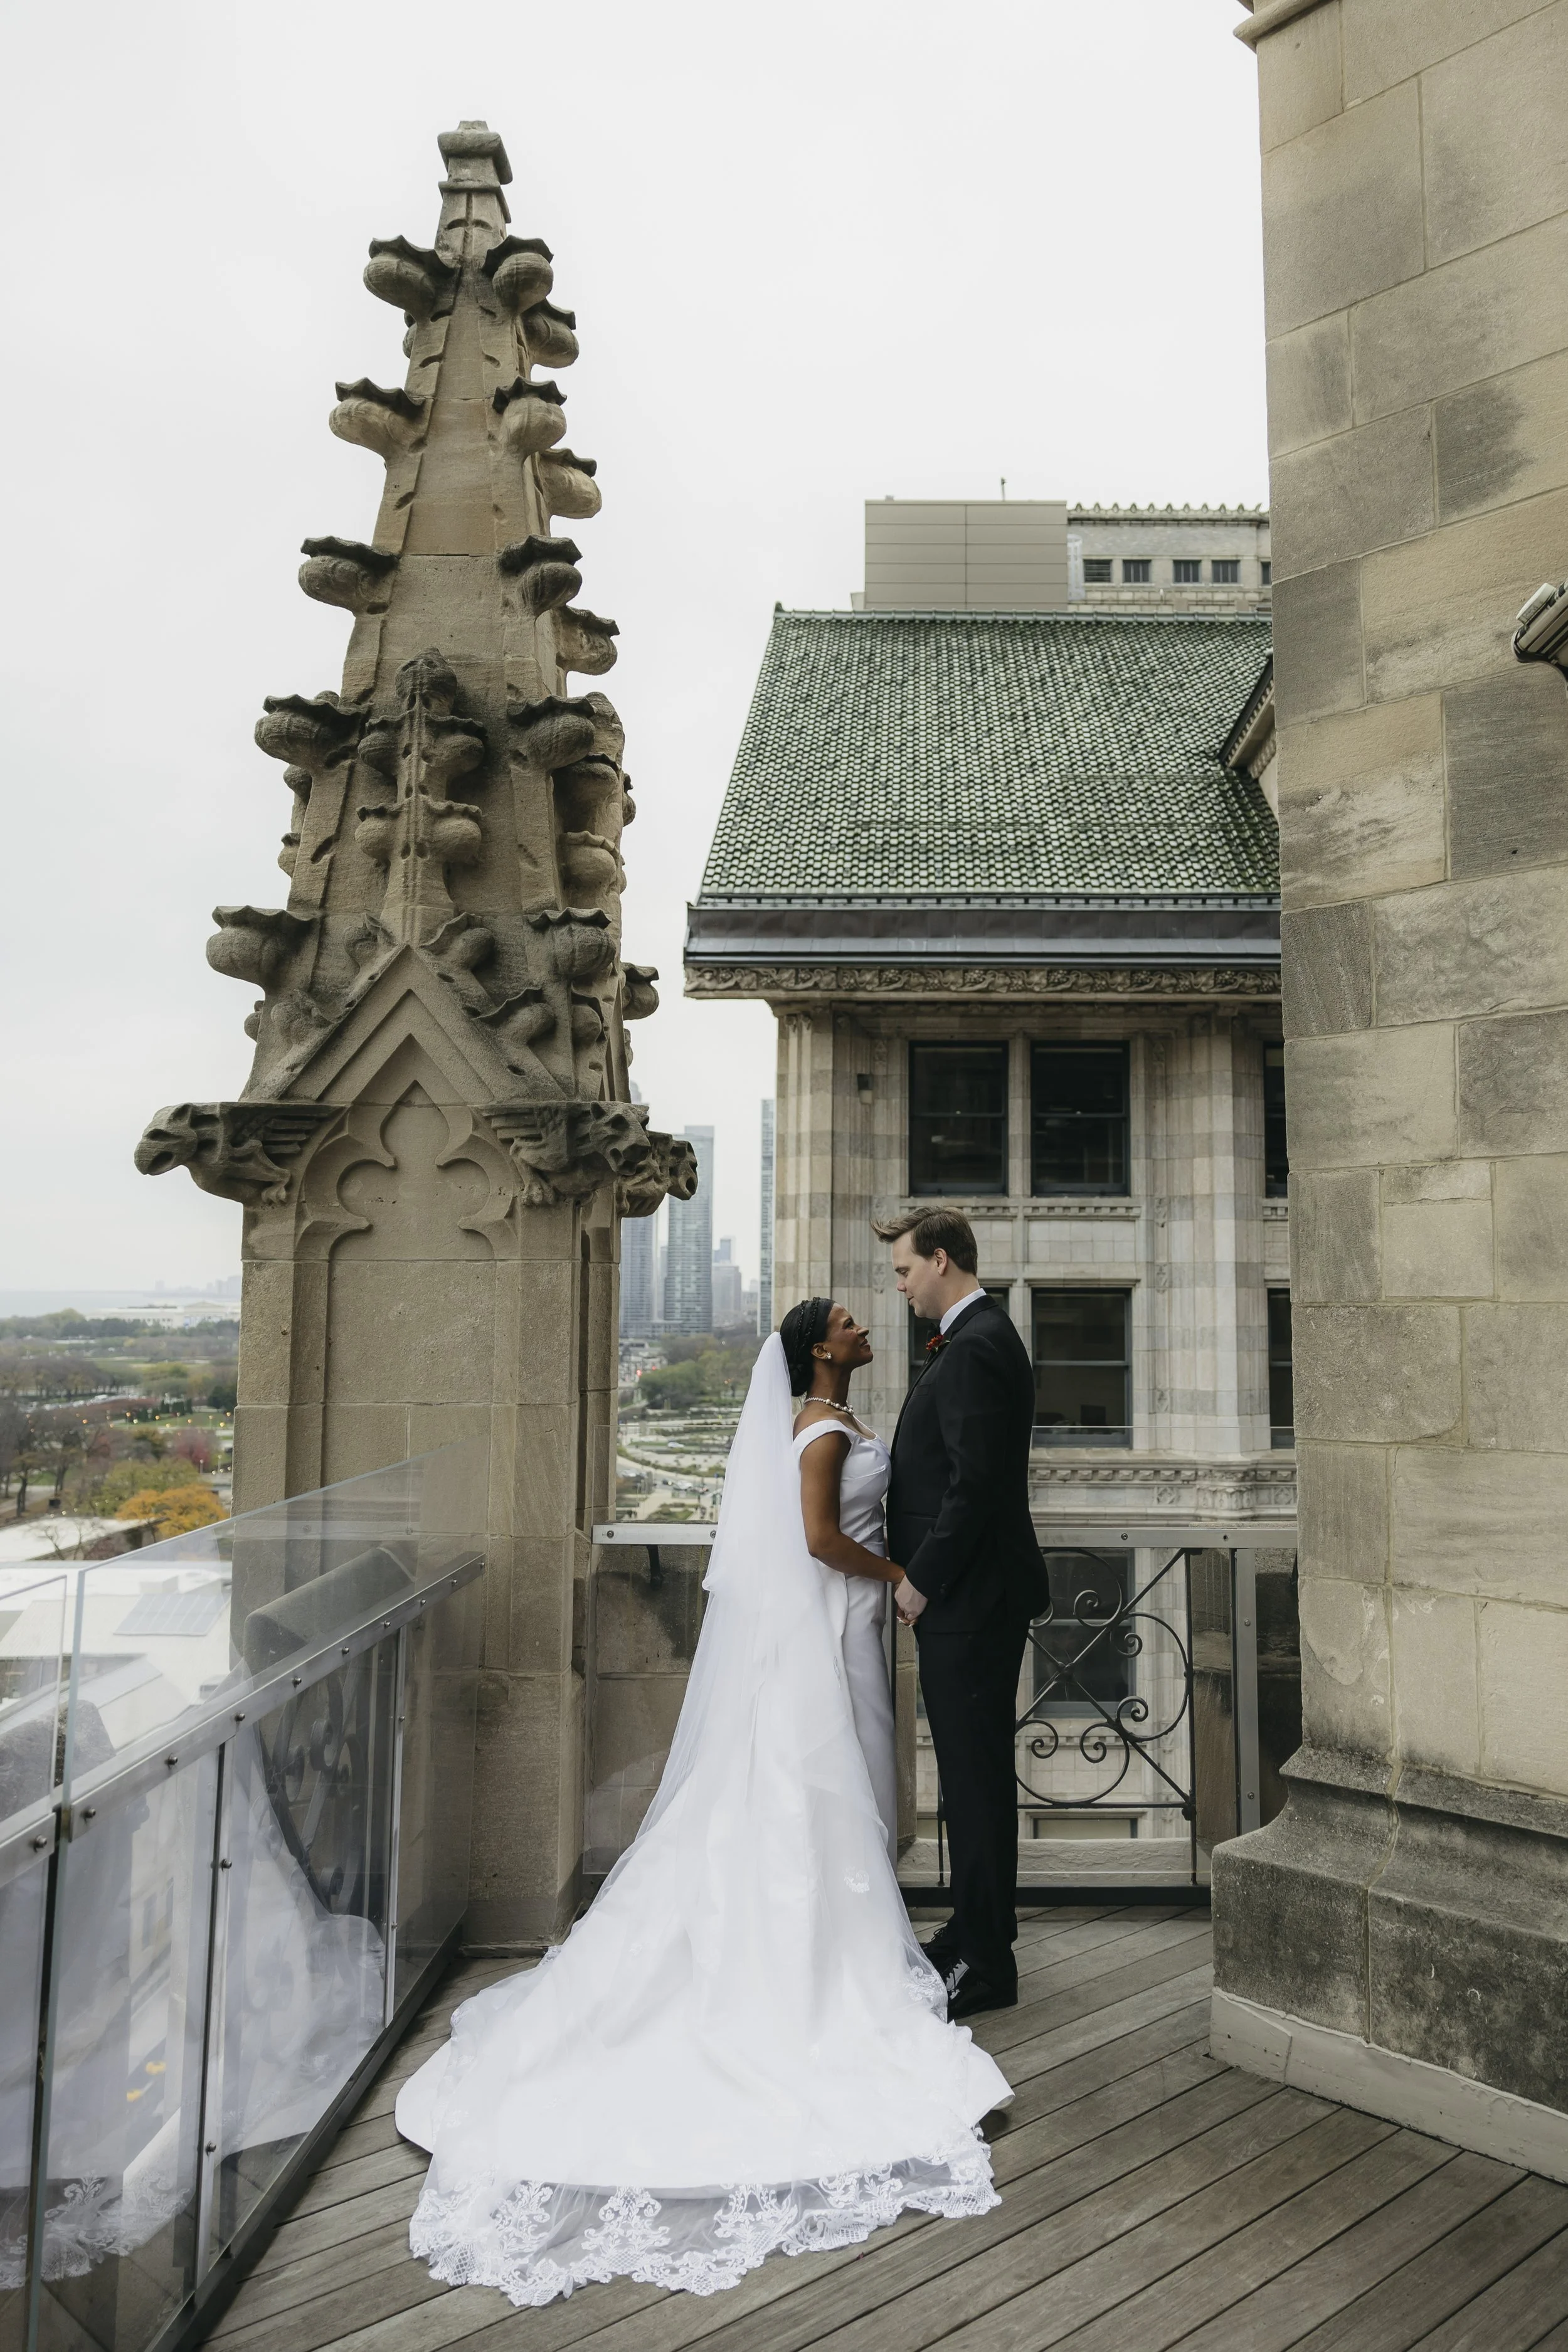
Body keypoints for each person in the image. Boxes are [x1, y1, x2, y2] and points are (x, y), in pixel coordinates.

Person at [393, 1314, 1009, 2308]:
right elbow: (814, 1537)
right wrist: (898, 1573)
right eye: (846, 1323)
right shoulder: (819, 1433)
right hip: (835, 1622)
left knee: (836, 1791)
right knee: (819, 1788)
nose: (861, 1325)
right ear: (819, 1350)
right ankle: (814, 1958)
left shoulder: (829, 1419)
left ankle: (826, 1936)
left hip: (840, 1627)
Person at [877, 1208, 1049, 2021]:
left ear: (941, 1260)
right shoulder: (972, 1336)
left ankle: (988, 1960)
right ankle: (977, 1926)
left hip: (970, 1601)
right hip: (970, 1599)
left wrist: (921, 1580)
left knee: (976, 1783)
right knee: (970, 1777)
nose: (901, 1286)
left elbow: (973, 1486)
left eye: (906, 1270)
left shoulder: (977, 1344)